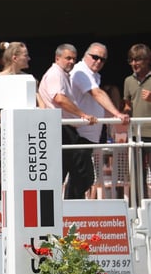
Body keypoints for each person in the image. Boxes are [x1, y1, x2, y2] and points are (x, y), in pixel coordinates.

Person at [38, 43, 98, 199]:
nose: (71, 61)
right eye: (68, 58)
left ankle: (71, 206)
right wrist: (82, 114)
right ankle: (68, 207)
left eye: (74, 59)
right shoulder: (55, 74)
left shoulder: (62, 75)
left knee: (77, 171)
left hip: (66, 130)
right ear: (57, 58)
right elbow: (59, 98)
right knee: (77, 171)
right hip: (61, 129)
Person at [70, 43, 130, 199]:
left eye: (102, 60)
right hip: (78, 134)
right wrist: (117, 113)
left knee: (83, 178)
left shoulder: (93, 75)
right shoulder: (81, 72)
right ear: (85, 56)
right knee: (83, 177)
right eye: (95, 57)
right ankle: (70, 213)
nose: (98, 61)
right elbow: (96, 93)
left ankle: (72, 212)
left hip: (89, 136)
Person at [122, 43, 151, 202]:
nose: (133, 64)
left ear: (147, 60)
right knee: (137, 175)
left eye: (137, 60)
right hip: (136, 134)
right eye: (131, 60)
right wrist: (125, 113)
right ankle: (140, 208)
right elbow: (127, 104)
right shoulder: (128, 80)